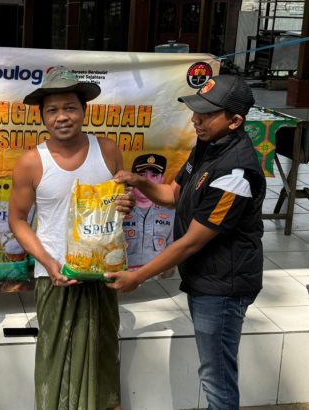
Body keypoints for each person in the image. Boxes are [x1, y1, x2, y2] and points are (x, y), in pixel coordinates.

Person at [106, 75, 266, 410]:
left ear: (235, 121)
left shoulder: (235, 175)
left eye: (207, 114)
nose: (196, 119)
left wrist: (137, 276)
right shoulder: (208, 146)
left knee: (216, 376)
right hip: (204, 278)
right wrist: (137, 180)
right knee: (213, 370)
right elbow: (172, 195)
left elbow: (191, 242)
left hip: (224, 286)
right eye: (196, 111)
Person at [8, 67, 133, 410]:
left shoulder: (108, 150)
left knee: (102, 352)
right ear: (42, 117)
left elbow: (119, 204)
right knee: (56, 357)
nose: (62, 117)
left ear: (84, 111)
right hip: (57, 275)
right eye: (52, 110)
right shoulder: (31, 162)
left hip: (103, 273)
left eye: (70, 108)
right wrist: (49, 263)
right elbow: (17, 220)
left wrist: (126, 203)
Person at [122, 153, 176, 274]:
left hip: (157, 278)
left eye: (154, 175)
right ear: (132, 179)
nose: (146, 180)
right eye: (141, 175)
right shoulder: (119, 207)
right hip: (123, 276)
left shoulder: (171, 210)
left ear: (162, 179)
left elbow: (174, 249)